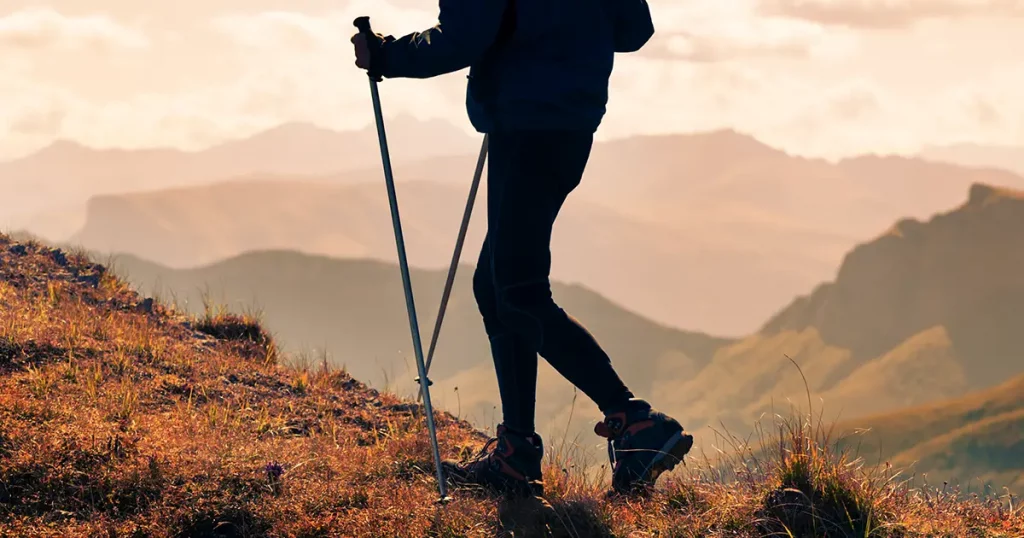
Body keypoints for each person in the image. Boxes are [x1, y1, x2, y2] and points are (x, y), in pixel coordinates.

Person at [351, 0, 692, 497]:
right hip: (568, 125)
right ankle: (517, 453)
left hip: (525, 121)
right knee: (495, 285)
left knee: (516, 291)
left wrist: (386, 56)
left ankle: (634, 421)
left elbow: (465, 35)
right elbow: (634, 29)